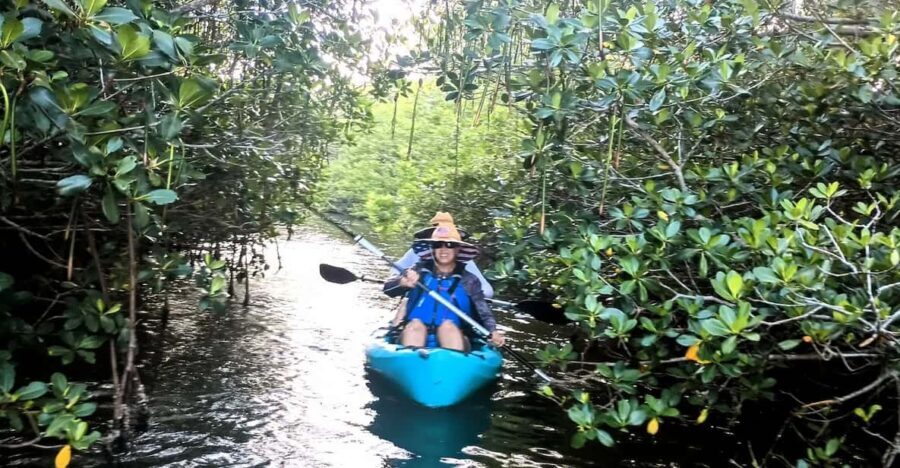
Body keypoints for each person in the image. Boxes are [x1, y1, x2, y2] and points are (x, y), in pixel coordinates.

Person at [383, 218, 505, 351]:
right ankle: (412, 360)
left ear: (458, 249)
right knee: (415, 325)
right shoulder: (417, 271)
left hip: (454, 335)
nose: (443, 249)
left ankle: (452, 363)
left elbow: (483, 311)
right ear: (432, 249)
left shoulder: (469, 280)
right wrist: (402, 283)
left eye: (450, 245)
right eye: (438, 244)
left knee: (448, 327)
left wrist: (492, 330)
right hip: (414, 335)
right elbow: (388, 289)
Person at [391, 212, 494, 299]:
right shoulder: (414, 254)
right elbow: (395, 270)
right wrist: (403, 281)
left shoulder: (464, 261)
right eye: (437, 243)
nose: (443, 248)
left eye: (449, 243)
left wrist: (463, 294)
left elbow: (487, 291)